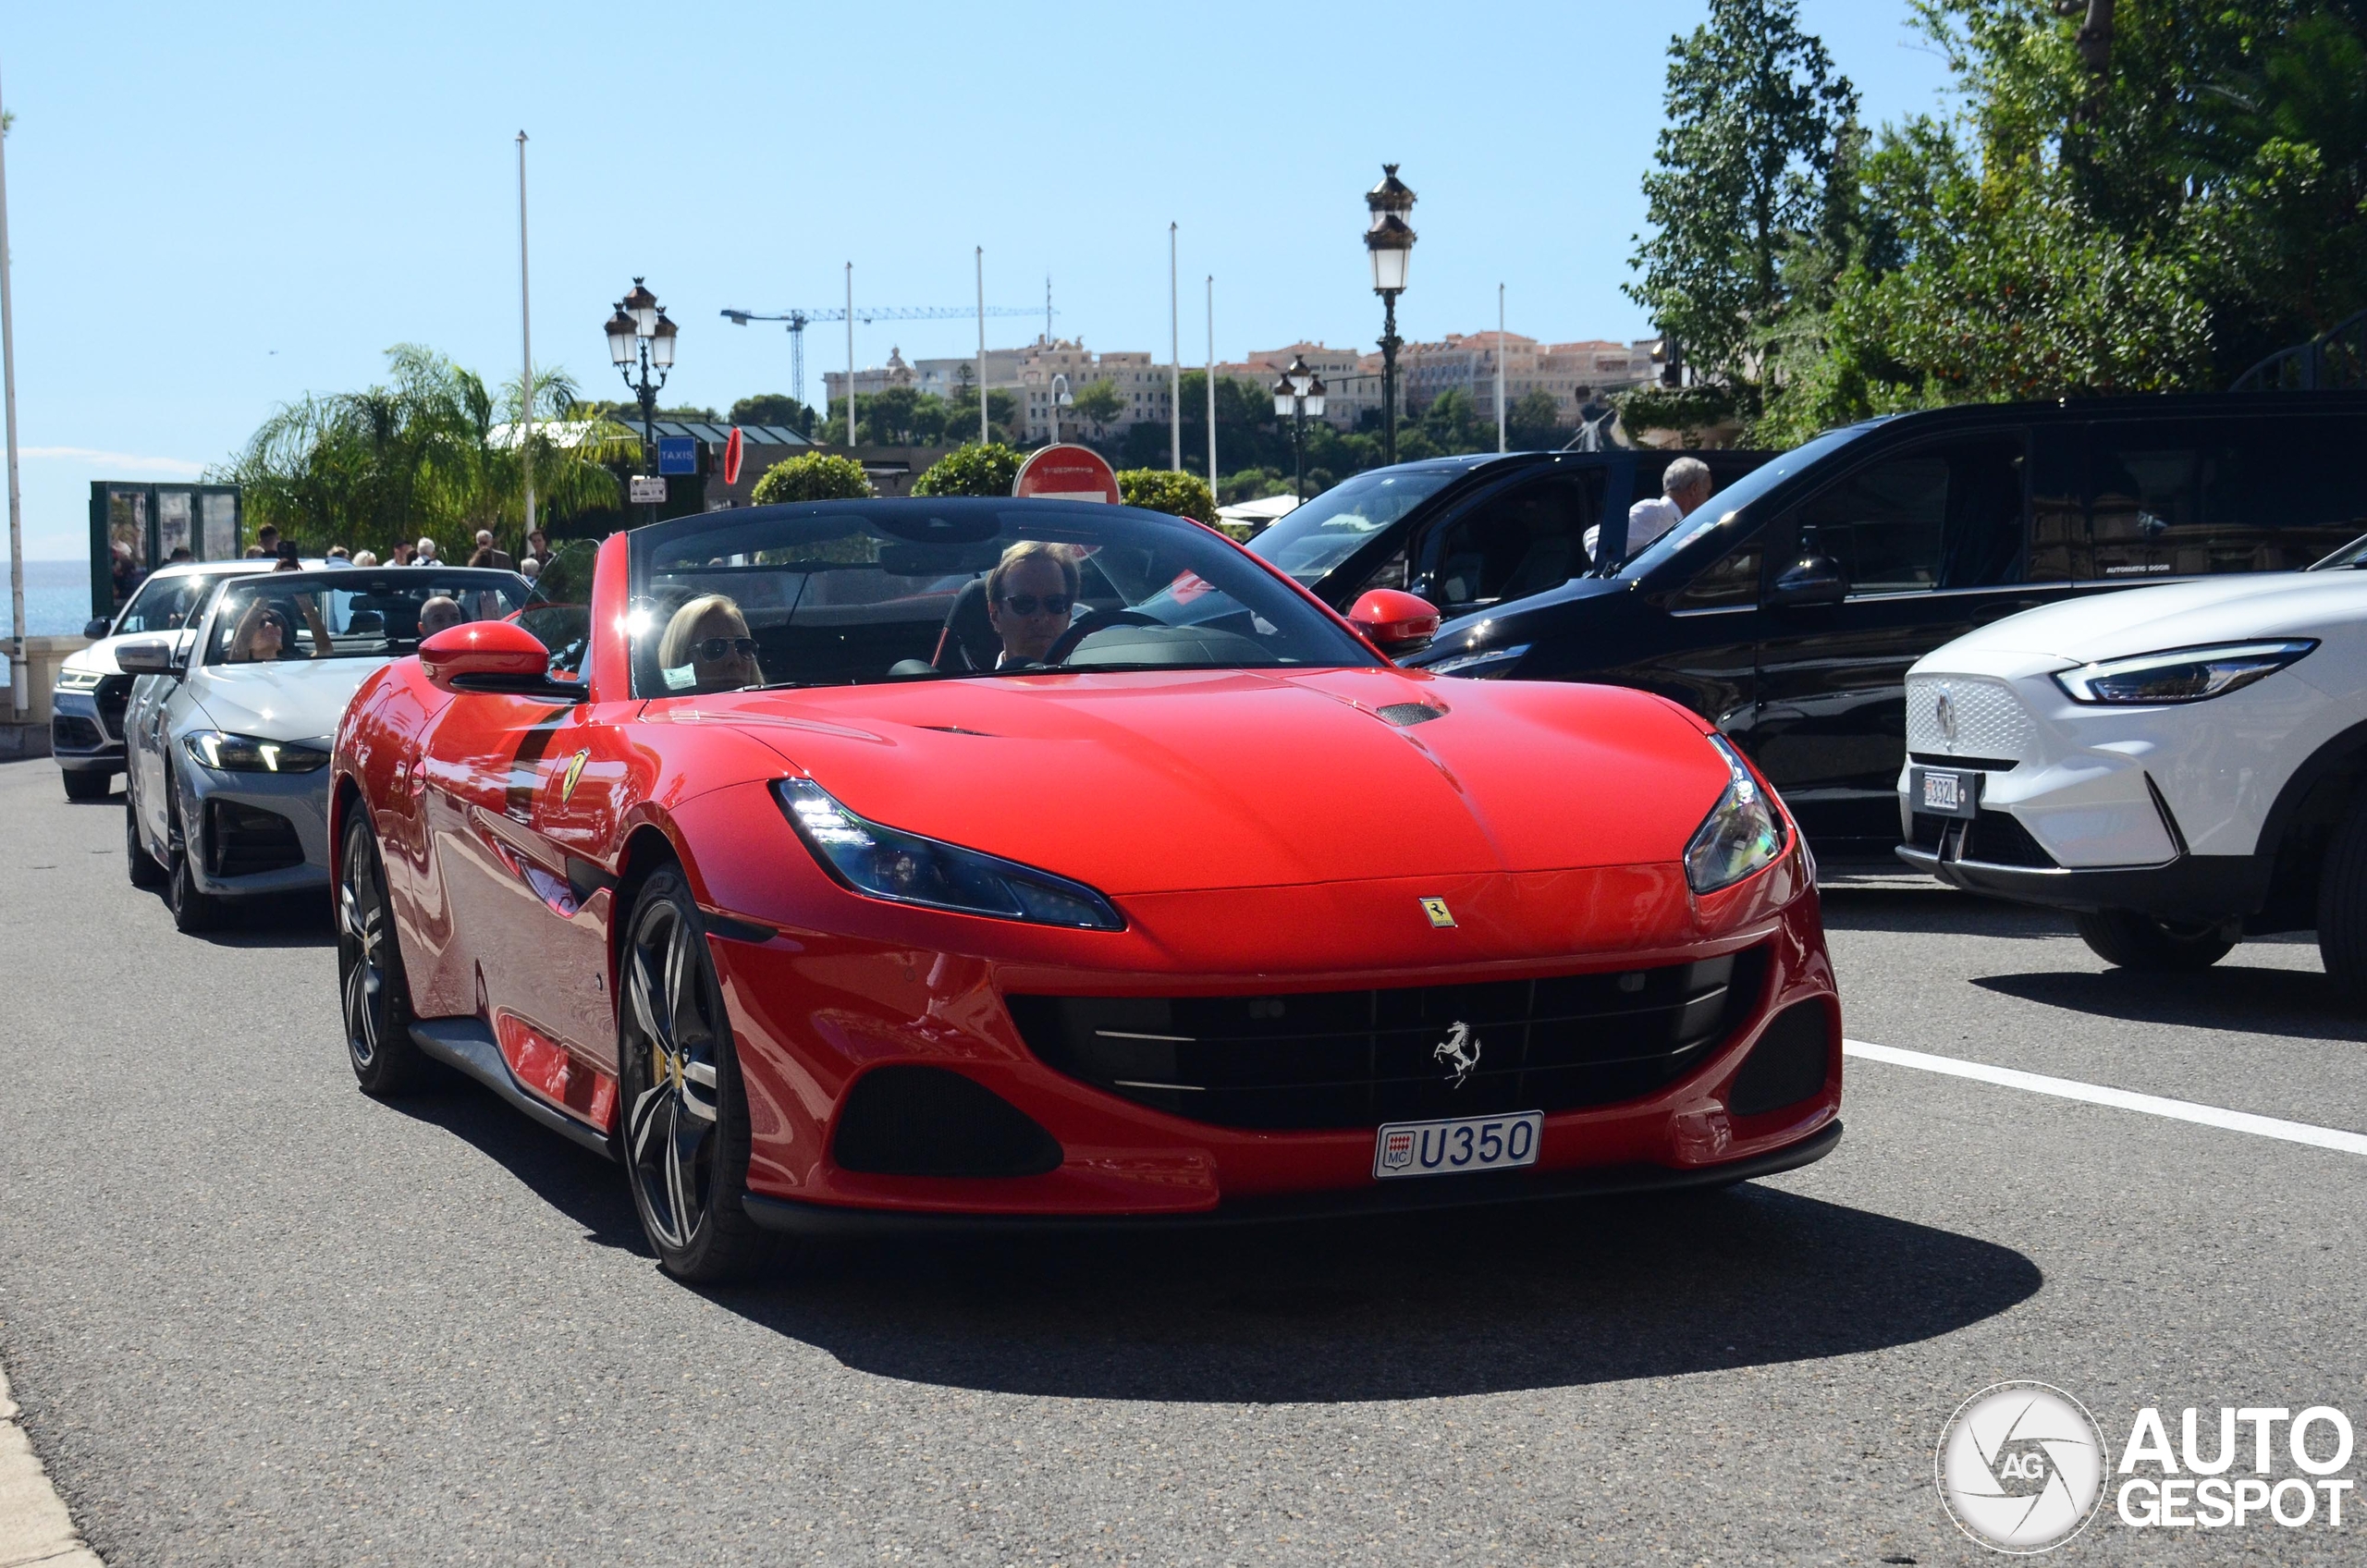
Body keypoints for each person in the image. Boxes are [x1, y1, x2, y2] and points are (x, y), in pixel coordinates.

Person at [985, 540, 1080, 667]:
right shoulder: (970, 685)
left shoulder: (1098, 680)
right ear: (995, 614)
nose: (1041, 617)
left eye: (1055, 603)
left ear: (1069, 613)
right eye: (1024, 603)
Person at [658, 594, 762, 692]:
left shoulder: (773, 707)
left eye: (744, 647)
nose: (734, 660)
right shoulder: (657, 708)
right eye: (713, 648)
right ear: (682, 659)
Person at [226, 594, 332, 662]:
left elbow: (325, 651)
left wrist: (307, 604)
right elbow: (238, 651)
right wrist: (265, 591)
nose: (269, 625)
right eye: (260, 624)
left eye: (274, 621)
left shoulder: (295, 665)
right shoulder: (238, 668)